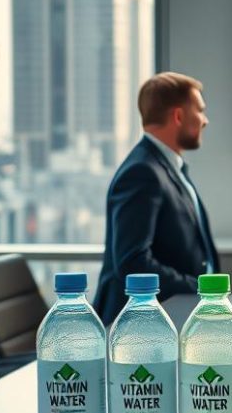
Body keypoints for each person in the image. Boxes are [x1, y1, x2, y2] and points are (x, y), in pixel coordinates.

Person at [93, 72, 220, 324]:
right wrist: (199, 289)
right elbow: (132, 262)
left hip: (170, 316)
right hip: (142, 327)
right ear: (179, 116)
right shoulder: (142, 172)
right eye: (200, 111)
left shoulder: (167, 167)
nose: (205, 120)